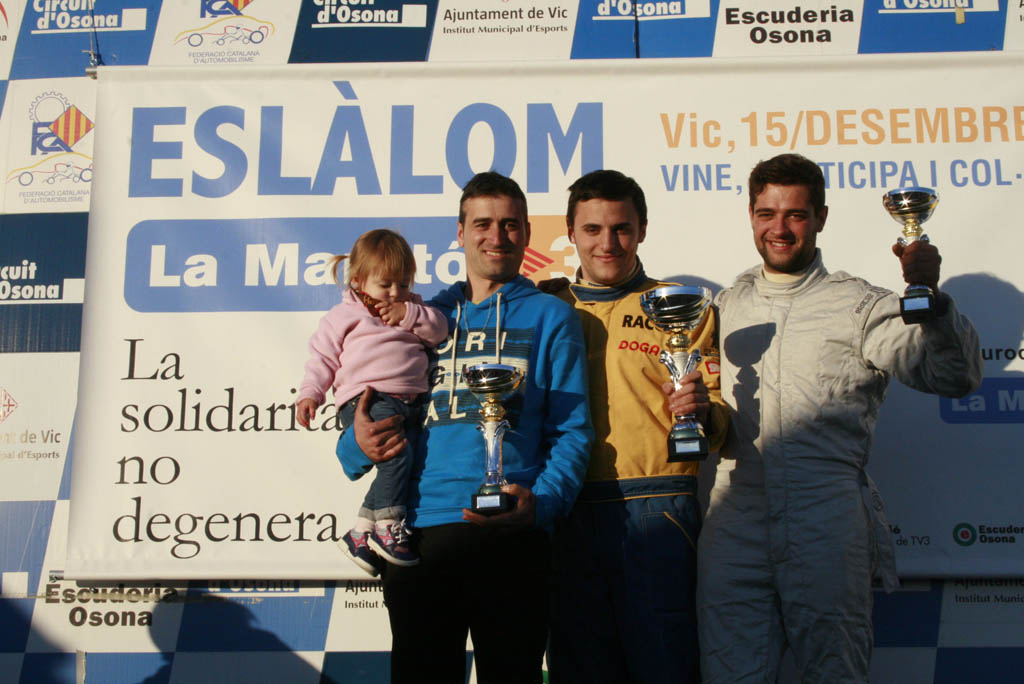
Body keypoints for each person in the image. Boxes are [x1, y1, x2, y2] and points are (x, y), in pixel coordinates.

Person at [698, 153, 982, 683]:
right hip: (734, 527)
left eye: (796, 215)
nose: (779, 229)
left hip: (825, 526)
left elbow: (954, 378)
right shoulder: (721, 309)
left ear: (821, 218)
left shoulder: (861, 306)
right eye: (766, 213)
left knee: (835, 675)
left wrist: (934, 303)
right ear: (751, 216)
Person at [336, 172, 593, 684]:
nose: (497, 236)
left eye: (510, 224)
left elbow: (572, 431)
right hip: (418, 535)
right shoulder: (419, 316)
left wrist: (542, 505)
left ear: (527, 233)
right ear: (459, 232)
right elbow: (364, 413)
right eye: (482, 224)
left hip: (513, 536)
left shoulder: (553, 317)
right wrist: (355, 447)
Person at [546, 170, 728, 684]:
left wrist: (702, 411)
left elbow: (719, 423)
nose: (607, 243)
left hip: (658, 504)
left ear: (642, 229)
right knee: (579, 668)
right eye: (592, 229)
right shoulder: (547, 306)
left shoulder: (682, 306)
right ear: (570, 232)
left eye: (621, 228)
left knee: (664, 664)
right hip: (565, 505)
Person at [295, 229, 449, 575]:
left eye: (403, 284)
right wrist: (310, 393)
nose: (395, 292)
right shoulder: (343, 315)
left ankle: (361, 531)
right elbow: (322, 358)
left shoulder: (414, 309)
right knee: (397, 456)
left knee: (405, 461)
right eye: (385, 285)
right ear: (358, 281)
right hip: (367, 400)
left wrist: (409, 314)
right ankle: (388, 525)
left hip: (409, 403)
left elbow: (439, 330)